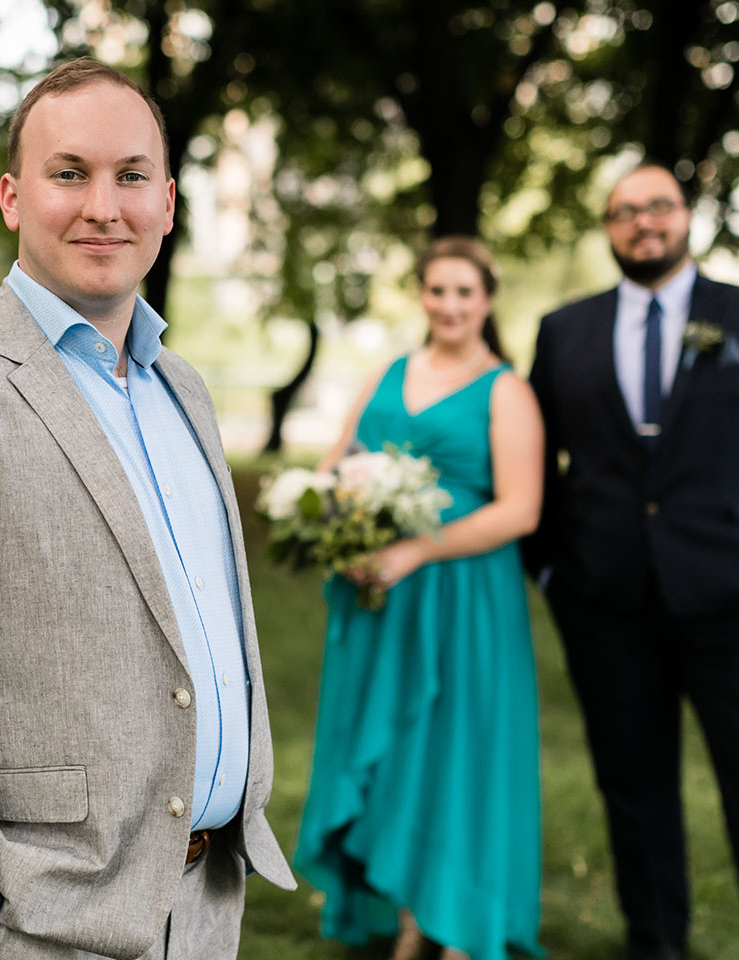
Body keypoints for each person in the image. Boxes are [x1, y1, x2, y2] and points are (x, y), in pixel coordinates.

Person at [0, 58, 296, 960]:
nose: (103, 207)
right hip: (38, 921)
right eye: (69, 173)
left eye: (130, 178)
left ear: (167, 201)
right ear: (12, 197)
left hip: (204, 905)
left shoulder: (183, 388)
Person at [521, 163, 739, 960]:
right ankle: (655, 945)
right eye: (625, 212)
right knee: (636, 794)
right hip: (608, 606)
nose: (643, 223)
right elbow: (535, 460)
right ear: (608, 227)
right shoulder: (566, 331)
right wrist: (555, 571)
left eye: (657, 206)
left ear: (686, 215)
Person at [293, 237, 545, 960]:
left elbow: (522, 509)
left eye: (465, 292)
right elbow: (338, 460)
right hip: (382, 600)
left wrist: (418, 550)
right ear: (421, 295)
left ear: (487, 300)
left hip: (465, 597)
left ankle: (457, 923)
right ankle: (408, 918)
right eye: (438, 290)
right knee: (398, 748)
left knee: (457, 748)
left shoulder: (507, 390)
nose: (451, 305)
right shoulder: (387, 373)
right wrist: (331, 518)